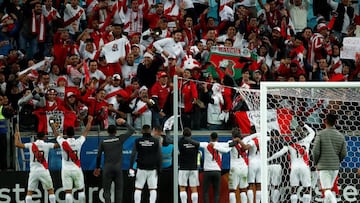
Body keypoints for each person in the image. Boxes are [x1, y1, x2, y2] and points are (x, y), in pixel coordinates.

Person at [268, 123, 315, 203]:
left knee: (293, 189)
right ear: (303, 133)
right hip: (304, 167)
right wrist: (304, 125)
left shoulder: (290, 143)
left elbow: (280, 152)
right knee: (307, 188)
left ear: (294, 133)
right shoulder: (307, 141)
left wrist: (269, 159)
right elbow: (313, 132)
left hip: (294, 168)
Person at [51, 115, 93, 203]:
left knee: (68, 192)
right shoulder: (79, 142)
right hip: (77, 169)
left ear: (66, 134)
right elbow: (86, 131)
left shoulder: (63, 142)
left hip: (66, 170)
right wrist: (89, 121)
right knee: (81, 191)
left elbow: (56, 134)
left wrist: (51, 123)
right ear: (74, 133)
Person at [93, 118, 136, 203]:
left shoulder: (103, 141)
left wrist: (97, 168)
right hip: (117, 168)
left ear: (107, 132)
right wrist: (124, 122)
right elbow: (132, 130)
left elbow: (98, 156)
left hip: (107, 168)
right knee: (119, 190)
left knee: (106, 191)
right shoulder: (119, 139)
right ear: (116, 132)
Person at [14, 131, 59, 203]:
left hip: (33, 172)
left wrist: (16, 136)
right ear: (44, 137)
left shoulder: (31, 145)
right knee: (50, 190)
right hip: (44, 171)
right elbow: (58, 145)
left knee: (29, 192)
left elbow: (17, 144)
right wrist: (59, 136)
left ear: (36, 137)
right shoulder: (47, 145)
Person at [313, 113, 347, 203]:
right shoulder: (340, 135)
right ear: (335, 122)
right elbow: (344, 153)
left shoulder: (320, 134)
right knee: (329, 190)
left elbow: (315, 151)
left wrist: (316, 162)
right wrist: (337, 160)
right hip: (335, 167)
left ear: (325, 121)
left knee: (326, 190)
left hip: (324, 166)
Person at [199, 132, 237, 203]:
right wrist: (237, 139)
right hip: (217, 171)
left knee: (205, 192)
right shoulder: (221, 145)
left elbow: (195, 143)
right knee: (217, 192)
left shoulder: (206, 145)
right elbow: (232, 144)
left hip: (207, 171)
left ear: (210, 138)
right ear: (217, 138)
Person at [129, 124, 162, 203]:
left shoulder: (138, 141)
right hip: (153, 168)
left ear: (142, 131)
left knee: (138, 188)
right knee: (153, 189)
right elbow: (159, 155)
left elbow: (133, 154)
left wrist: (131, 167)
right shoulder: (155, 141)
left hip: (141, 167)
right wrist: (159, 168)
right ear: (150, 131)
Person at [178, 127, 201, 203]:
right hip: (193, 168)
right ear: (191, 135)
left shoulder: (180, 143)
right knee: (194, 188)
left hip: (183, 168)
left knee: (182, 187)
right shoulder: (196, 143)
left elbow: (179, 141)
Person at [228, 127, 249, 203]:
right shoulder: (245, 142)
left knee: (232, 190)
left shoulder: (230, 142)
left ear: (232, 135)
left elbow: (225, 148)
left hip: (234, 168)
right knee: (243, 190)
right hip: (244, 168)